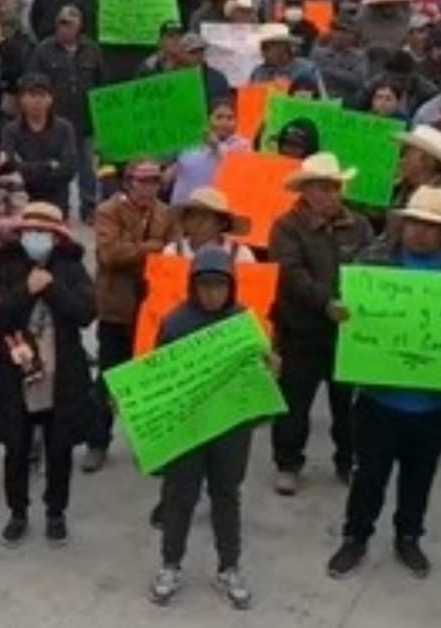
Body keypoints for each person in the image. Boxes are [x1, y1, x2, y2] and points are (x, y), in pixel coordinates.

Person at [326, 185, 441, 580]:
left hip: (431, 405)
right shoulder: (376, 262)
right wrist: (341, 310)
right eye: (415, 224)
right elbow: (346, 301)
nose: (421, 233)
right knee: (368, 475)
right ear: (403, 224)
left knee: (419, 477)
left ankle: (408, 536)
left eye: (431, 226)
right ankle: (355, 537)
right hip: (378, 400)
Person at [147, 247, 269, 609]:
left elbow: (259, 373)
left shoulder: (245, 321)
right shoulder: (174, 323)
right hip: (187, 428)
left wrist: (271, 366)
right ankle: (170, 564)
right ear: (192, 286)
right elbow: (155, 375)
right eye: (205, 285)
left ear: (231, 286)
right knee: (178, 497)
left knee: (226, 496)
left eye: (219, 285)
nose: (212, 292)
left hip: (230, 429)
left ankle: (228, 566)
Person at [0, 202, 96, 547]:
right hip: (14, 374)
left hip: (62, 376)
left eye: (44, 232)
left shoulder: (72, 269)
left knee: (60, 449)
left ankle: (55, 511)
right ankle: (17, 512)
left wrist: (52, 289)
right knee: (15, 448)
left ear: (58, 238)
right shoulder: (7, 266)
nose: (36, 238)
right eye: (30, 231)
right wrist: (25, 291)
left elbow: (86, 313)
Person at [268, 152, 374, 496]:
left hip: (347, 333)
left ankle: (348, 460)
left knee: (347, 404)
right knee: (294, 401)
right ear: (306, 191)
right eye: (322, 188)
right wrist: (325, 303)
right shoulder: (285, 227)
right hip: (300, 330)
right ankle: (287, 463)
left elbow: (371, 267)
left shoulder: (360, 225)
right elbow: (290, 275)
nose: (330, 194)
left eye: (334, 187)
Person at [86, 157, 178, 472]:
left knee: (151, 379)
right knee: (110, 377)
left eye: (154, 181)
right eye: (142, 181)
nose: (149, 187)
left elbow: (174, 252)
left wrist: (137, 248)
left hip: (153, 309)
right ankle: (97, 442)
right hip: (116, 307)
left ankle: (150, 444)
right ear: (129, 183)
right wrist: (151, 247)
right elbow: (110, 254)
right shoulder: (108, 210)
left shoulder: (167, 214)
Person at [26, 7, 104, 220]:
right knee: (55, 166)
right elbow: (33, 82)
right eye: (61, 23)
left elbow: (100, 82)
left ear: (79, 25)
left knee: (87, 166)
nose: (64, 28)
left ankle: (89, 207)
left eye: (69, 23)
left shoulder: (92, 49)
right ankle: (56, 208)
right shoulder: (43, 49)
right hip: (55, 121)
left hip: (85, 120)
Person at [0, 72, 78, 213]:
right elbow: (11, 168)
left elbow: (69, 169)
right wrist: (48, 165)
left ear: (50, 99)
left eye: (42, 95)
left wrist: (28, 168)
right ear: (22, 99)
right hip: (21, 202)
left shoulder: (65, 128)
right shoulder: (10, 130)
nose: (37, 100)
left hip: (56, 202)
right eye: (32, 95)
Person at [168, 99, 250, 205]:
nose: (224, 123)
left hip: (216, 210)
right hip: (183, 209)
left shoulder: (243, 145)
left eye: (230, 118)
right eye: (219, 117)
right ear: (208, 119)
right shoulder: (190, 143)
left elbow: (237, 169)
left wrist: (216, 146)